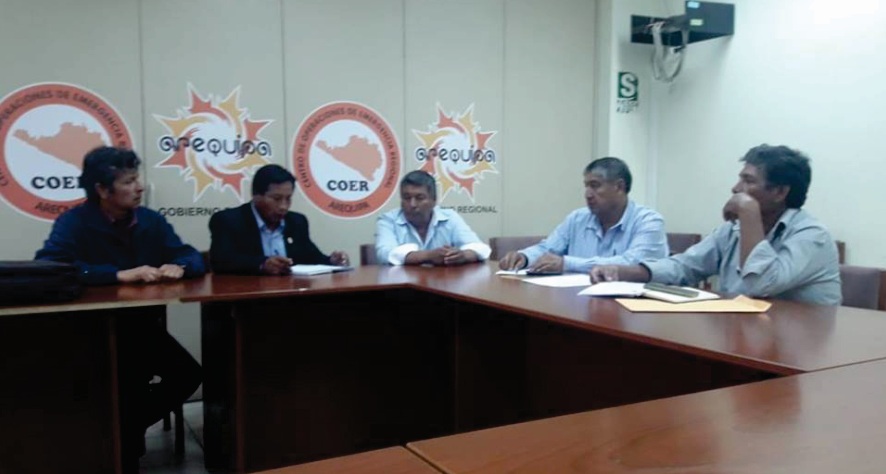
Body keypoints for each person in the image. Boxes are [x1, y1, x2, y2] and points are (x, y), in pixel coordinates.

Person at [34, 146, 203, 471]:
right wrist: (115, 275)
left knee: (188, 374)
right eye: (128, 181)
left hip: (140, 326)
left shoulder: (150, 220)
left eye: (137, 179)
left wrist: (180, 265)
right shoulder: (75, 221)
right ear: (102, 189)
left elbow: (190, 254)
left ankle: (124, 430)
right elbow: (51, 266)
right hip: (93, 330)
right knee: (121, 382)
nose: (139, 187)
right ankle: (121, 444)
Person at [590, 144, 842, 306]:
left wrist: (748, 211)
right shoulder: (733, 230)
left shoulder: (812, 236)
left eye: (748, 181)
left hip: (802, 353)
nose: (736, 188)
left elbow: (761, 284)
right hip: (744, 336)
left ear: (779, 192)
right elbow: (685, 266)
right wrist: (624, 271)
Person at [499, 157, 668, 273]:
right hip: (581, 302)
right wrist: (524, 257)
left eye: (595, 185)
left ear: (619, 187)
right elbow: (547, 249)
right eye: (586, 186)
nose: (587, 194)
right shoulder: (577, 218)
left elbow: (634, 264)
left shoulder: (648, 221)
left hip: (632, 306)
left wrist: (567, 263)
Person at [209, 164, 349, 274]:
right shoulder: (228, 221)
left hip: (291, 294)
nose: (283, 206)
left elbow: (311, 256)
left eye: (288, 199)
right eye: (276, 198)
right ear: (256, 195)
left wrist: (331, 261)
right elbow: (220, 261)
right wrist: (262, 264)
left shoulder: (297, 221)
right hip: (248, 297)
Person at [376, 170, 491, 265]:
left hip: (443, 283)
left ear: (434, 200)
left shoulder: (449, 218)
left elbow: (480, 248)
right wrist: (428, 256)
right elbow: (385, 254)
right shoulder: (388, 220)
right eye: (406, 198)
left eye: (419, 198)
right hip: (402, 283)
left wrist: (462, 255)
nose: (412, 204)